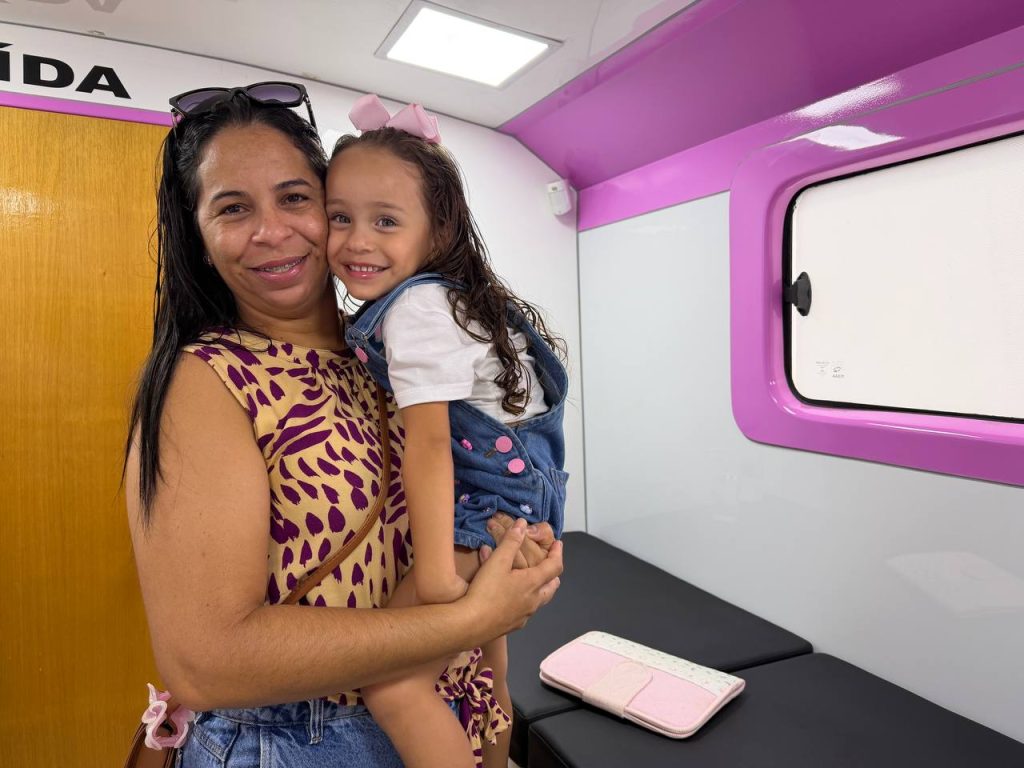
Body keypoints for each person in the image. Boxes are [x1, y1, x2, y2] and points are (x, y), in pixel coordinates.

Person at [124, 83, 562, 767]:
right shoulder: (209, 380)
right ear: (200, 238)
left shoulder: (392, 354)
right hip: (300, 742)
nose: (272, 231)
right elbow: (207, 662)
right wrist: (469, 617)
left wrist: (511, 561)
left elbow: (463, 511)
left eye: (295, 198)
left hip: (451, 714)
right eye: (233, 208)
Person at [324, 94, 570, 768]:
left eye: (385, 220)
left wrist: (435, 574)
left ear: (436, 234)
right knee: (488, 671)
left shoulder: (416, 311)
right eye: (340, 217)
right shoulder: (458, 298)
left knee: (392, 683)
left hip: (481, 507)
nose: (357, 241)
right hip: (523, 499)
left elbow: (431, 445)